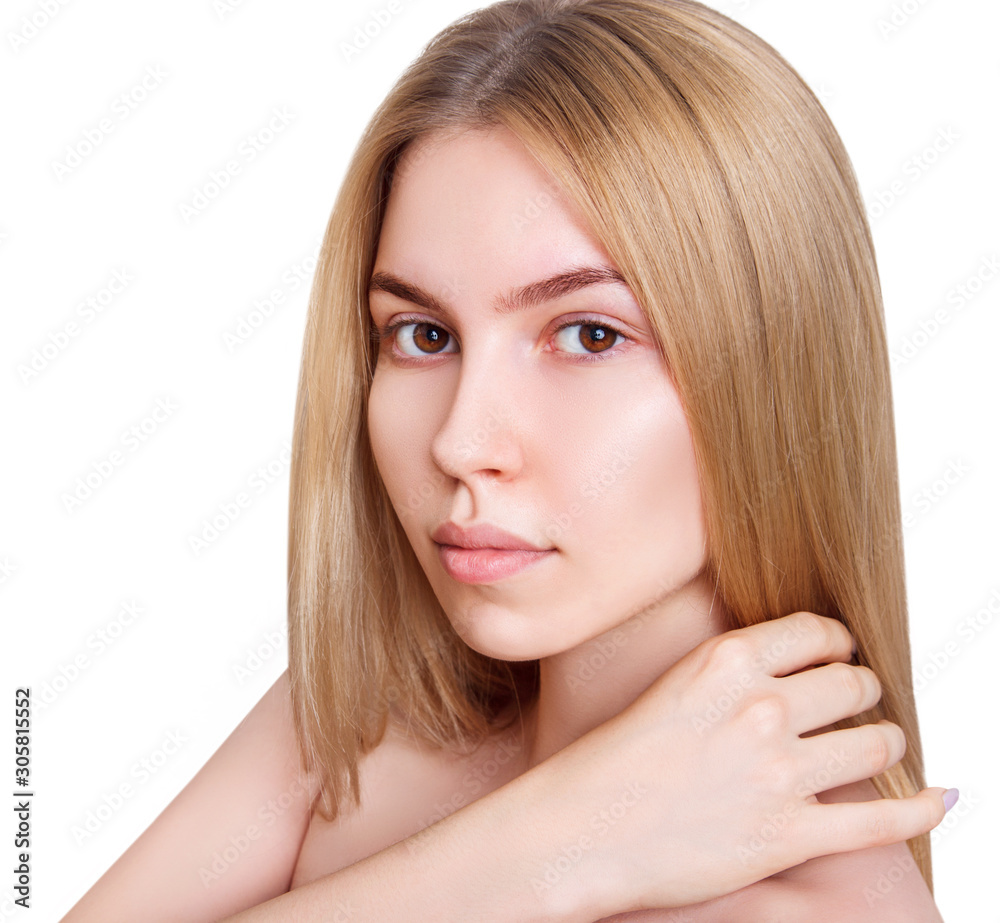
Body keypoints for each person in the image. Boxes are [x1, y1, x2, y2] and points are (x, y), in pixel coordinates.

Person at [61, 1, 955, 920]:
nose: (459, 441)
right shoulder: (371, 709)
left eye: (590, 334)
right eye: (423, 333)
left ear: (776, 368)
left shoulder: (809, 905)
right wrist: (561, 839)